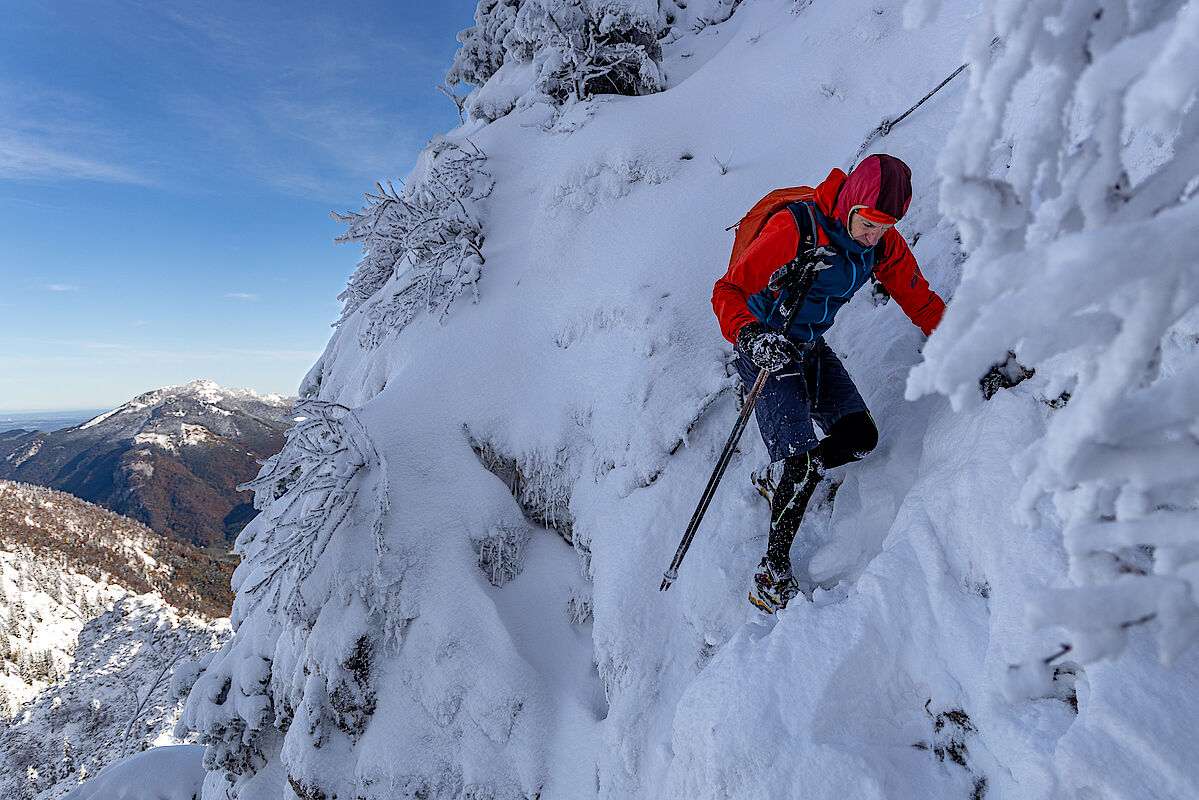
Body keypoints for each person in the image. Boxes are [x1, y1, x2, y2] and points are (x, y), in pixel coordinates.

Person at [711, 154, 945, 613]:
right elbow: (727, 292)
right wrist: (753, 338)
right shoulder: (797, 229)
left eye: (886, 224)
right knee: (798, 461)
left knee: (860, 438)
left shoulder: (881, 245)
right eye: (870, 222)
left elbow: (921, 300)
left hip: (808, 346)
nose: (875, 234)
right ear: (853, 204)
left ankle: (783, 480)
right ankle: (771, 574)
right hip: (766, 346)